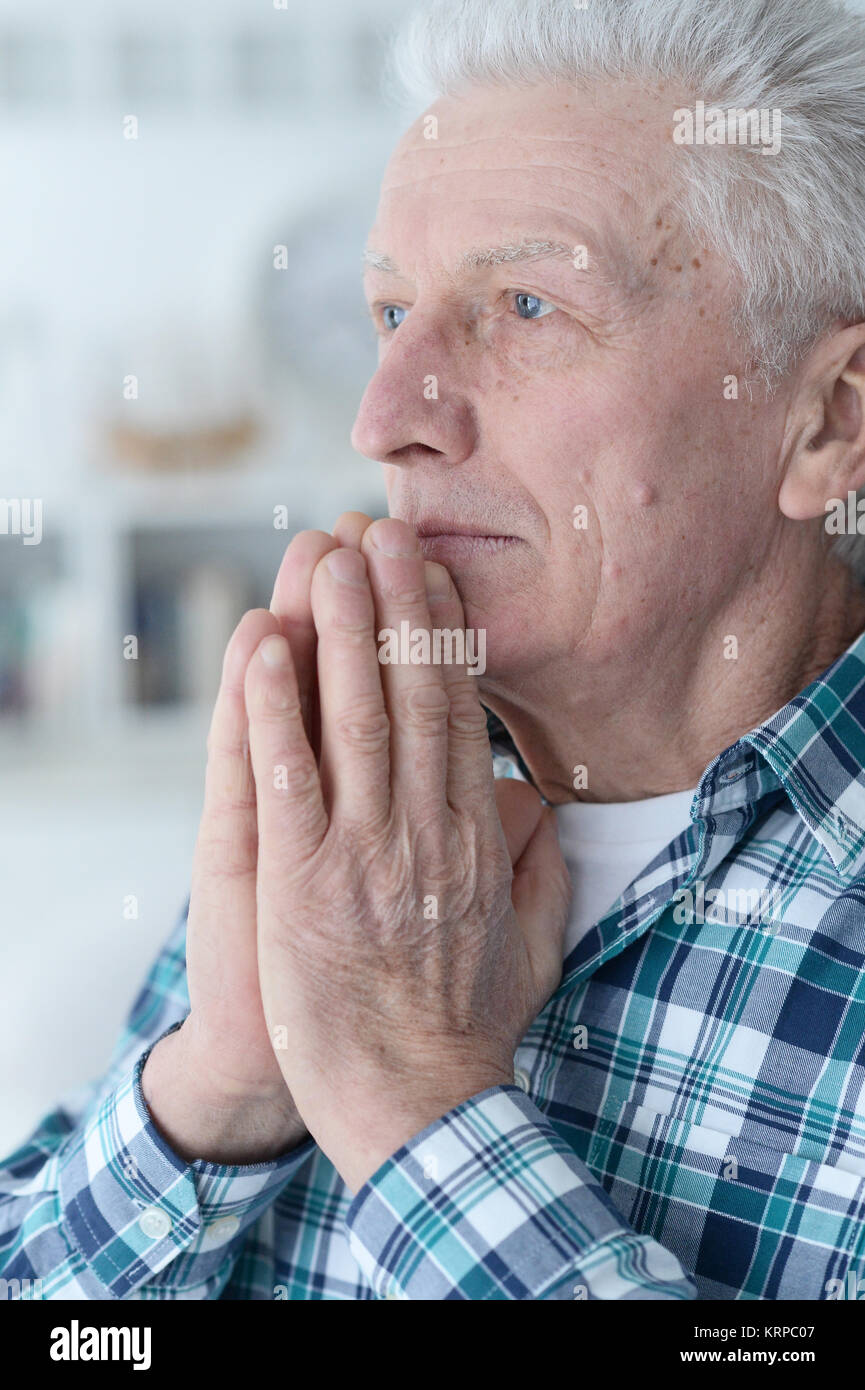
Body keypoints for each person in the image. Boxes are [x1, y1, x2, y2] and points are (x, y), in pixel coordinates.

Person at [5, 0, 865, 1300]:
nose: (382, 414)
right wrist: (222, 1077)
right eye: (388, 309)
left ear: (826, 425)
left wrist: (406, 1098)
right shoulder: (358, 775)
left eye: (524, 304)